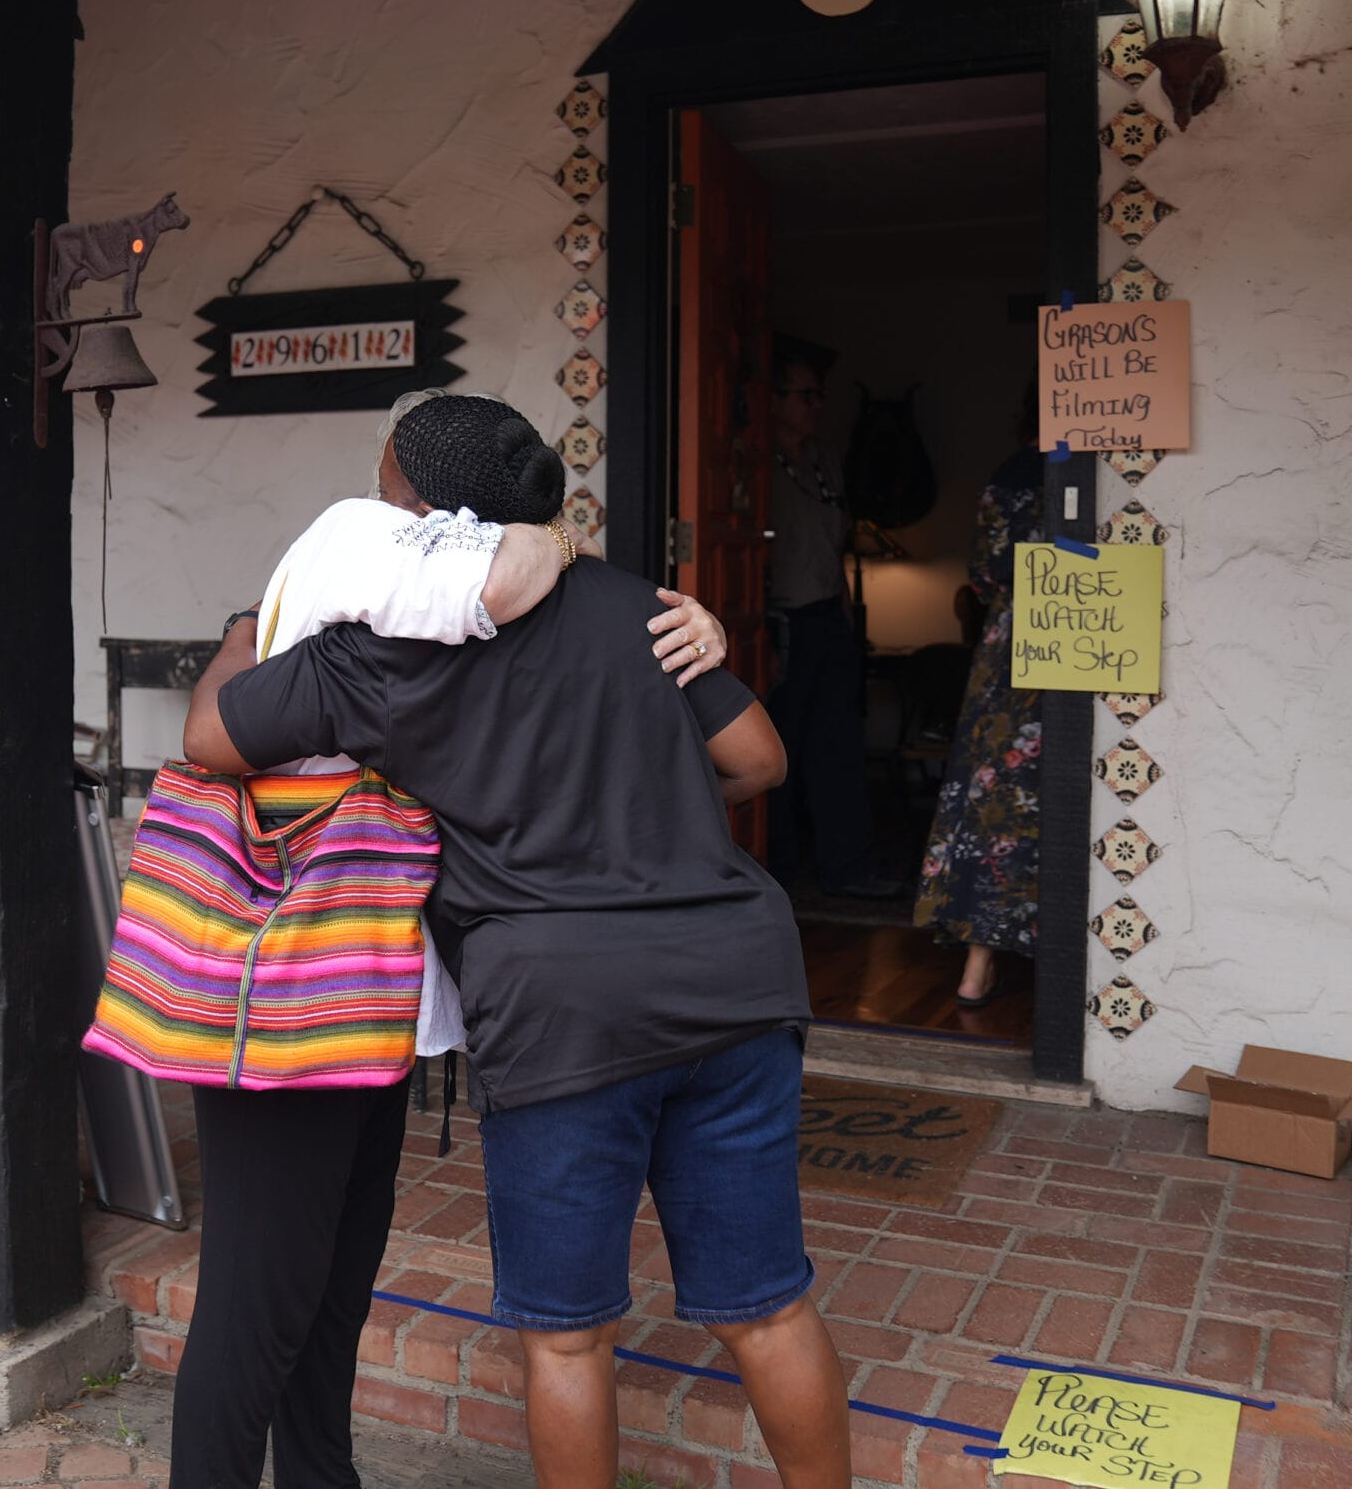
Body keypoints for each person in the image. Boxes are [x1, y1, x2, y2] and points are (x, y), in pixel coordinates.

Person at [184, 394, 853, 1489]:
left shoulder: (370, 653)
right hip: (734, 977)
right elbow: (761, 759)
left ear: (409, 507)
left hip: (560, 1010)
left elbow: (211, 737)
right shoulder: (641, 609)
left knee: (569, 1336)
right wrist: (649, 812)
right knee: (768, 1307)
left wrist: (241, 632)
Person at [913, 390, 1045, 1005]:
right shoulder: (1102, 474)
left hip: (1012, 645)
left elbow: (986, 573)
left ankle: (976, 967)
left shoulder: (1012, 473)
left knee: (991, 795)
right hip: (1092, 637)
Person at [766, 336, 897, 900]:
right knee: (777, 751)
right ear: (773, 399)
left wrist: (848, 623)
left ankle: (849, 868)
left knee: (838, 748)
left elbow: (834, 548)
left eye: (820, 395)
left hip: (827, 619)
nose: (817, 405)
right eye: (805, 395)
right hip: (779, 625)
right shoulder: (752, 463)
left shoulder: (826, 459)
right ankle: (773, 874)